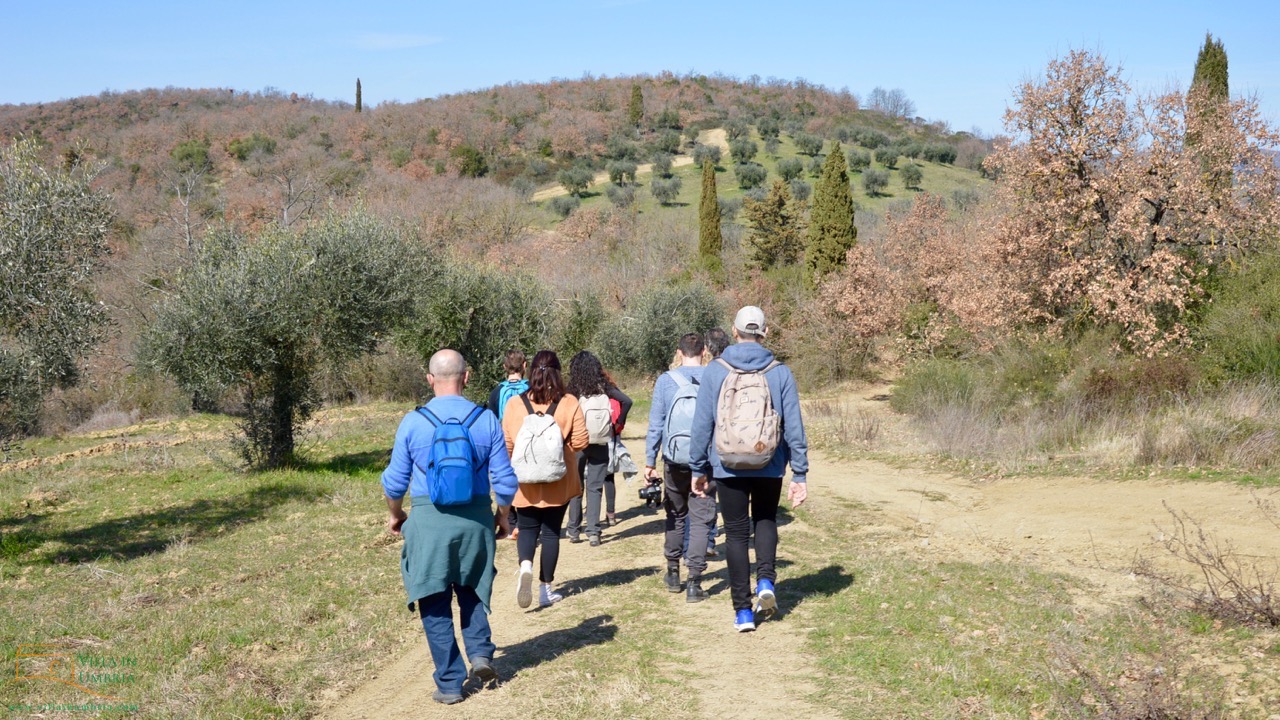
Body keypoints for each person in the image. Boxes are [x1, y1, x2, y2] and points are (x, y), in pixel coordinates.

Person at [381, 349, 518, 705]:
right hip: (475, 520)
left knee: (434, 600)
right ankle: (481, 654)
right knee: (471, 588)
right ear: (467, 377)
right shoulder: (485, 419)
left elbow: (394, 483)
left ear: (430, 379)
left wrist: (396, 514)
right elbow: (504, 482)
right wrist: (502, 516)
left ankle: (450, 683)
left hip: (427, 521)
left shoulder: (413, 421)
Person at [690, 307, 809, 633]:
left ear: (735, 330)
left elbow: (702, 423)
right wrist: (799, 473)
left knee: (738, 533)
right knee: (766, 519)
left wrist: (698, 467)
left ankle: (743, 611)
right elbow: (794, 426)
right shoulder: (780, 372)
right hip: (769, 462)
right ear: (765, 332)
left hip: (727, 464)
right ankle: (767, 580)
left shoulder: (716, 370)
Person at [501, 350, 589, 608]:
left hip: (525, 481)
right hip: (558, 481)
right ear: (558, 373)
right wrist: (560, 451)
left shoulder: (515, 404)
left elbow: (507, 444)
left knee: (527, 529)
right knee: (551, 533)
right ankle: (545, 590)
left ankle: (525, 565)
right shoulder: (569, 402)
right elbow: (582, 440)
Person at [644, 332, 716, 603]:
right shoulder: (714, 376)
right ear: (704, 352)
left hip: (674, 459)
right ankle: (695, 582)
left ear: (679, 352)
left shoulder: (665, 381)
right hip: (706, 461)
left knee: (675, 513)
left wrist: (650, 461)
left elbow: (656, 424)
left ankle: (673, 572)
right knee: (701, 518)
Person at [564, 351, 632, 546]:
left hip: (578, 442)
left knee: (576, 486)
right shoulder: (605, 387)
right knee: (595, 487)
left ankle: (574, 530)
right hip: (601, 441)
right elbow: (627, 401)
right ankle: (594, 532)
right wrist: (616, 425)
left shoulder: (573, 388)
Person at [487, 350, 528, 535]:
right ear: (525, 366)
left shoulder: (497, 391)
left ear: (504, 367)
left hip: (505, 442)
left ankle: (512, 524)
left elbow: (492, 418)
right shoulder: (531, 388)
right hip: (529, 441)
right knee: (527, 480)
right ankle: (527, 521)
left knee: (506, 478)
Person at [487, 350, 528, 420]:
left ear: (504, 367)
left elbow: (492, 422)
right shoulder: (532, 389)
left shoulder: (496, 392)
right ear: (524, 365)